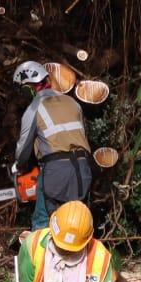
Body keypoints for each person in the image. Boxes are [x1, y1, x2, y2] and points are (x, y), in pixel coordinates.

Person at [11, 62, 92, 231]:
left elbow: (23, 148)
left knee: (43, 223)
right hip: (83, 170)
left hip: (56, 173)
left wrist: (18, 166)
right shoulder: (72, 102)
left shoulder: (34, 109)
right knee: (78, 223)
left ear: (27, 89)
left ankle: (41, 246)